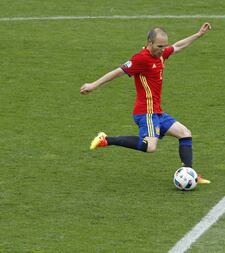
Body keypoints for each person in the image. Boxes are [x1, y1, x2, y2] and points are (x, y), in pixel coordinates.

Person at [80, 23, 212, 184]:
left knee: (185, 134)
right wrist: (93, 85)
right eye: (159, 46)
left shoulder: (161, 54)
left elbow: (177, 46)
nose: (163, 49)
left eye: (164, 46)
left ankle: (190, 173)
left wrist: (198, 34)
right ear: (150, 43)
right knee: (150, 147)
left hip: (157, 112)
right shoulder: (141, 58)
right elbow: (118, 71)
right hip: (146, 112)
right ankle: (107, 139)